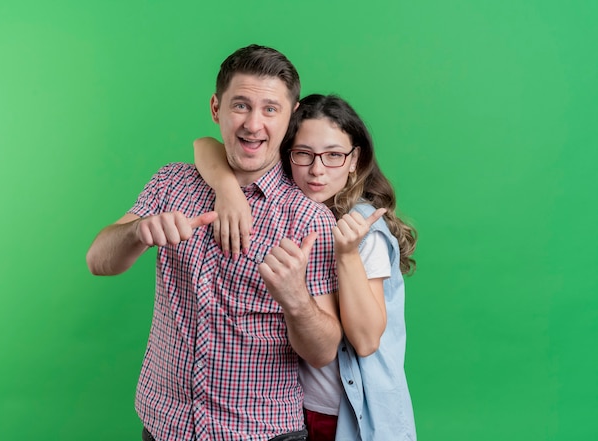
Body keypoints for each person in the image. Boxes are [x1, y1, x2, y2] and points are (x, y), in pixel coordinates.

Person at [86, 45, 343, 441]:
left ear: (290, 117)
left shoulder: (309, 218)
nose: (253, 124)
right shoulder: (171, 183)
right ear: (215, 109)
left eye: (270, 109)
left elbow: (324, 350)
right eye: (240, 105)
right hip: (164, 425)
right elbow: (97, 259)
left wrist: (296, 300)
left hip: (261, 432)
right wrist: (138, 233)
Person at [194, 94, 418, 440]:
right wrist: (228, 189)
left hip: (342, 413)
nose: (317, 170)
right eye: (304, 154)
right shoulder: (291, 211)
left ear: (354, 160)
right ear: (287, 156)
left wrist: (345, 254)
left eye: (333, 156)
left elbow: (366, 340)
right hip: (288, 409)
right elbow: (204, 145)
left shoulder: (362, 228)